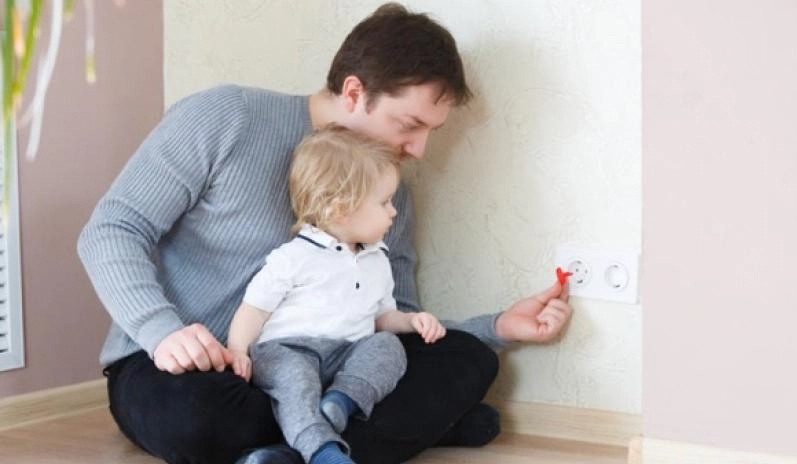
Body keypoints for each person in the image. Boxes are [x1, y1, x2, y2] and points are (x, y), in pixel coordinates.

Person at [78, 3, 572, 464]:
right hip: (196, 370)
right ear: (354, 92)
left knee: (468, 361)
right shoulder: (225, 117)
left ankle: (295, 448)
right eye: (410, 124)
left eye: (430, 132)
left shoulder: (391, 195)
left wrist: (496, 328)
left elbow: (392, 317)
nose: (418, 149)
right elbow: (113, 228)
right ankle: (392, 433)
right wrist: (162, 332)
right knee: (194, 418)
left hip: (330, 370)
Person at [227, 126, 446, 464]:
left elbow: (382, 317)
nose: (394, 212)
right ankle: (322, 451)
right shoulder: (293, 257)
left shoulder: (377, 258)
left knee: (389, 346)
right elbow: (253, 310)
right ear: (339, 209)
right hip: (288, 350)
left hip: (347, 355)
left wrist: (412, 320)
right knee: (295, 381)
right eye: (384, 202)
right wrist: (238, 350)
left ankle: (341, 402)